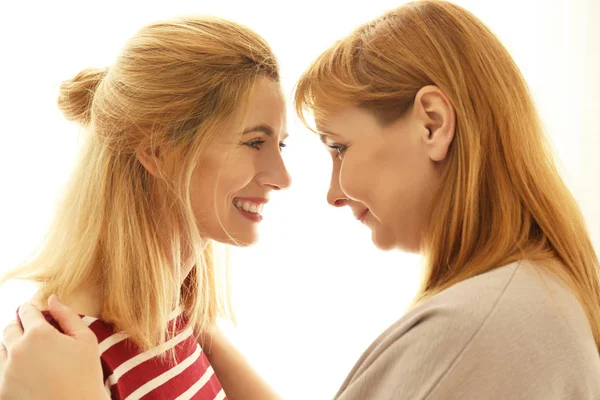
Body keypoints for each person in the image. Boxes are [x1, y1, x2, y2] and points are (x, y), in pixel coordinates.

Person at [2, 1, 600, 399]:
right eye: (255, 142)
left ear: (433, 125)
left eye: (335, 146)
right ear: (157, 151)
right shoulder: (61, 350)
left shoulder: (478, 327)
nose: (290, 178)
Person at [0, 14, 289, 400]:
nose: (282, 176)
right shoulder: (45, 360)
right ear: (157, 151)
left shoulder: (177, 318)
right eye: (255, 142)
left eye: (280, 145)